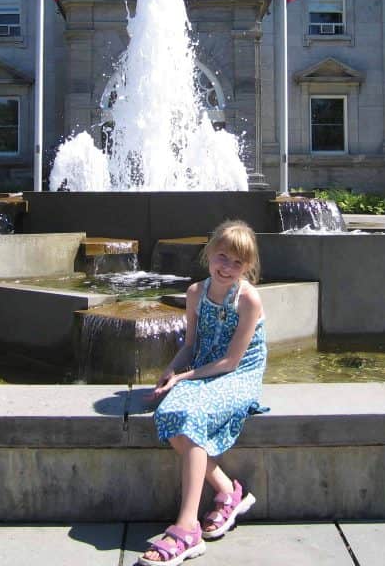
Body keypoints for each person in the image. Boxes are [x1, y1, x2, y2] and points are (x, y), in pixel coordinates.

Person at [141, 220, 267, 565]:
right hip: (202, 369)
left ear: (247, 267)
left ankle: (187, 527)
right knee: (168, 413)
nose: (227, 267)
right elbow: (192, 345)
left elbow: (230, 362)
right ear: (209, 254)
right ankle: (228, 491)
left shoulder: (248, 300)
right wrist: (172, 369)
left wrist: (184, 379)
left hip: (237, 374)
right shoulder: (196, 292)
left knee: (191, 417)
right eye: (222, 257)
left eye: (237, 263)